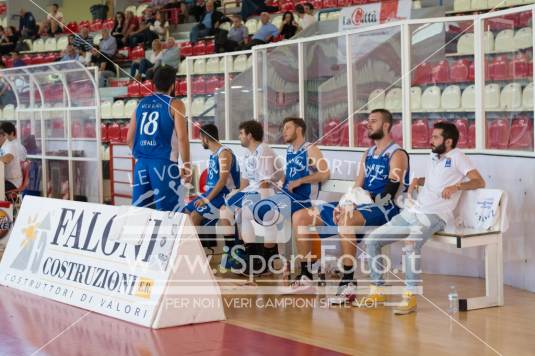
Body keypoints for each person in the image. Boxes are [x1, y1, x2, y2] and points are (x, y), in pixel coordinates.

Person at [365, 121, 485, 315]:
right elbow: (436, 181)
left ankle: (410, 297)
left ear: (448, 141)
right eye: (432, 136)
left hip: (435, 215)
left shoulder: (458, 157)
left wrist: (457, 187)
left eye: (436, 137)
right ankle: (377, 290)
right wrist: (417, 181)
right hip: (413, 212)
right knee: (372, 241)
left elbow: (479, 181)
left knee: (411, 244)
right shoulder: (434, 157)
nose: (431, 140)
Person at [289, 109, 410, 296]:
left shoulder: (397, 154)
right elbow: (357, 187)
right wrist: (345, 203)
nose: (368, 124)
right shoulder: (368, 153)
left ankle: (348, 280)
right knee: (301, 217)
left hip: (384, 207)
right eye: (368, 121)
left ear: (386, 126)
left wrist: (353, 206)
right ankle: (306, 275)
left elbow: (390, 191)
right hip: (360, 204)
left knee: (346, 218)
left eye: (374, 121)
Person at [218, 120, 282, 272]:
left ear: (250, 135)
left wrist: (264, 207)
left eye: (241, 133)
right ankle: (236, 252)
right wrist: (234, 196)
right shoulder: (247, 154)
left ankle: (263, 258)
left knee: (247, 211)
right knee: (225, 211)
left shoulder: (264, 150)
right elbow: (244, 182)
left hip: (269, 192)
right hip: (252, 191)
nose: (239, 136)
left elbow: (265, 183)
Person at [127, 66, 191, 212]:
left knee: (140, 211)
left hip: (141, 164)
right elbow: (182, 138)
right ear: (173, 84)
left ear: (154, 84)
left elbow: (129, 139)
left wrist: (142, 157)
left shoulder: (140, 104)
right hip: (164, 164)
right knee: (169, 212)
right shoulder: (176, 104)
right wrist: (186, 166)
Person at [183, 124, 240, 233]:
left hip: (224, 194)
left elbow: (222, 181)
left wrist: (206, 199)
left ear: (205, 138)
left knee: (195, 216)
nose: (200, 142)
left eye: (200, 139)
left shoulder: (224, 153)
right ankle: (193, 245)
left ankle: (193, 249)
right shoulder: (214, 154)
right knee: (185, 212)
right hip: (212, 193)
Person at [0, 122, 22, 193]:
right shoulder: (3, 147)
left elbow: (6, 159)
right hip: (4, 179)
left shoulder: (10, 145)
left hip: (13, 182)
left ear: (2, 136)